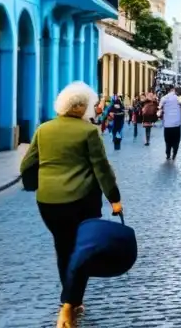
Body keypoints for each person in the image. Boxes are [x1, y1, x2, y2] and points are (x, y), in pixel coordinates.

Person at [20, 81, 121, 328]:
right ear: (84, 107)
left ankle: (70, 299)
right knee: (83, 251)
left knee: (63, 248)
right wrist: (114, 198)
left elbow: (26, 165)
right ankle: (69, 305)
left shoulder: (44, 129)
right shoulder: (88, 132)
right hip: (82, 201)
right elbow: (101, 168)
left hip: (49, 202)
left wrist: (36, 185)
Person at [160, 86, 181, 159]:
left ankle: (168, 154)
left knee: (168, 140)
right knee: (176, 140)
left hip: (167, 124)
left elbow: (159, 108)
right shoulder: (179, 98)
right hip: (177, 124)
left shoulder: (164, 98)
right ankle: (174, 153)